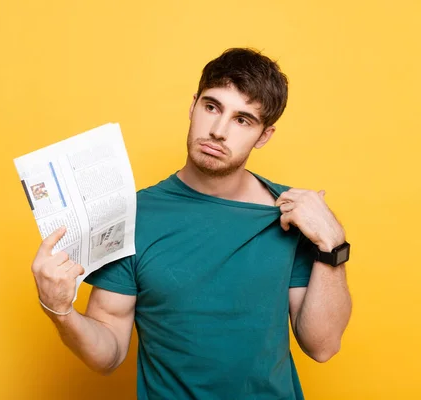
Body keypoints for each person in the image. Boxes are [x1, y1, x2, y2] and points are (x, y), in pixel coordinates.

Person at [30, 48, 352, 399]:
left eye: (242, 120)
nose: (218, 131)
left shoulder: (290, 215)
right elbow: (109, 351)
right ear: (193, 105)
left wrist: (333, 242)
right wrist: (60, 311)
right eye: (212, 107)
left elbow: (322, 345)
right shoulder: (133, 216)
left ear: (264, 136)